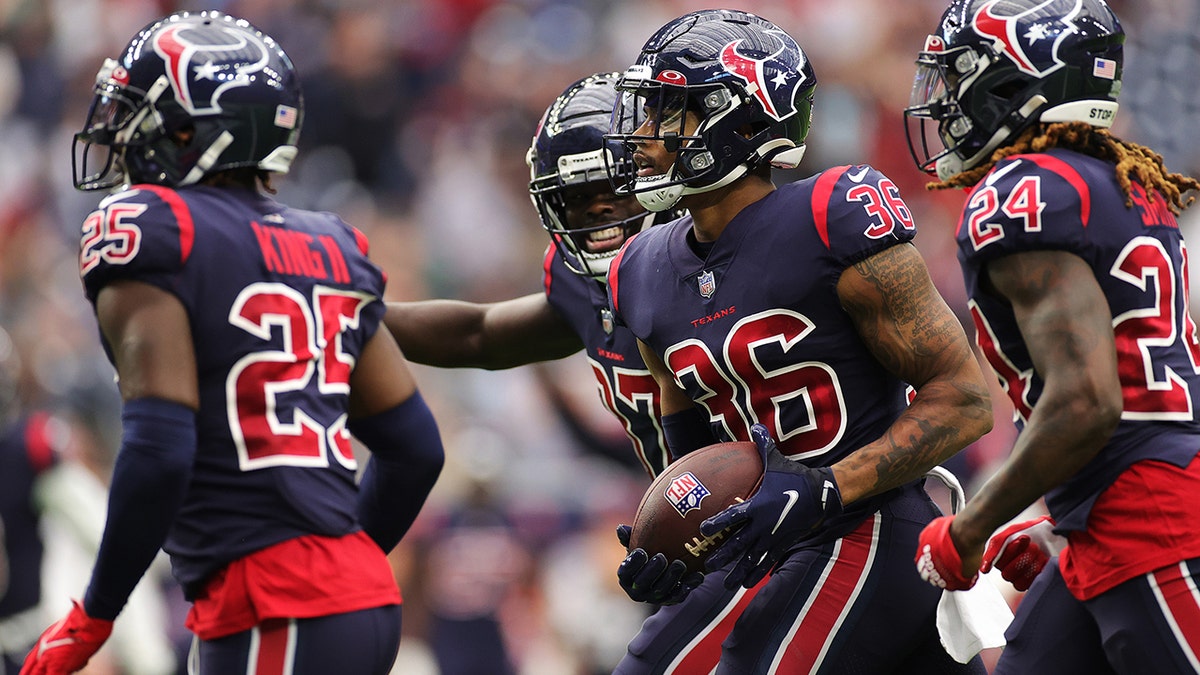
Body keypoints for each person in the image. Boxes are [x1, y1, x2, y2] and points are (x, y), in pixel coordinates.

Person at [20, 10, 444, 675]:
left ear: (192, 132)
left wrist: (94, 613)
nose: (123, 137)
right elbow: (415, 448)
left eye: (141, 117)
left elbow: (160, 450)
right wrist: (343, 568)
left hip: (275, 602)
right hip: (349, 601)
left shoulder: (155, 228)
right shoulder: (330, 241)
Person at [604, 8, 994, 672]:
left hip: (864, 525)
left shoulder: (831, 214)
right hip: (764, 546)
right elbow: (696, 456)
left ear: (741, 120)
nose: (643, 135)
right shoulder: (638, 270)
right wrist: (677, 544)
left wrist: (828, 488)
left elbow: (964, 399)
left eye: (671, 111)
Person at [383, 72, 772, 672]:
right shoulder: (583, 287)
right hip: (699, 546)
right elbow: (479, 333)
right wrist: (347, 311)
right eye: (574, 200)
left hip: (787, 518)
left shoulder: (728, 259)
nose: (597, 216)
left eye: (611, 195)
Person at [904, 0, 1200, 672]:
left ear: (1022, 80)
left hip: (1150, 523)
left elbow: (1085, 402)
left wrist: (970, 527)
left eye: (965, 76)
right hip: (1117, 508)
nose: (949, 100)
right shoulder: (1117, 180)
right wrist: (1055, 511)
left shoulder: (1025, 193)